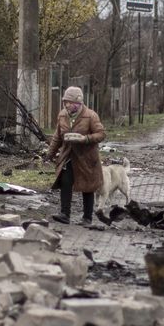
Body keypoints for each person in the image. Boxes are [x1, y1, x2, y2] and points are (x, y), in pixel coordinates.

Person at [47, 86, 105, 227]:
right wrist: (50, 153)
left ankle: (87, 218)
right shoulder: (62, 115)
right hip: (68, 155)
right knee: (66, 182)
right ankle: (64, 214)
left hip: (86, 157)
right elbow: (57, 137)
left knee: (87, 186)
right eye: (65, 102)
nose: (67, 105)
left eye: (70, 102)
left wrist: (84, 139)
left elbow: (101, 134)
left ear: (78, 103)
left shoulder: (90, 116)